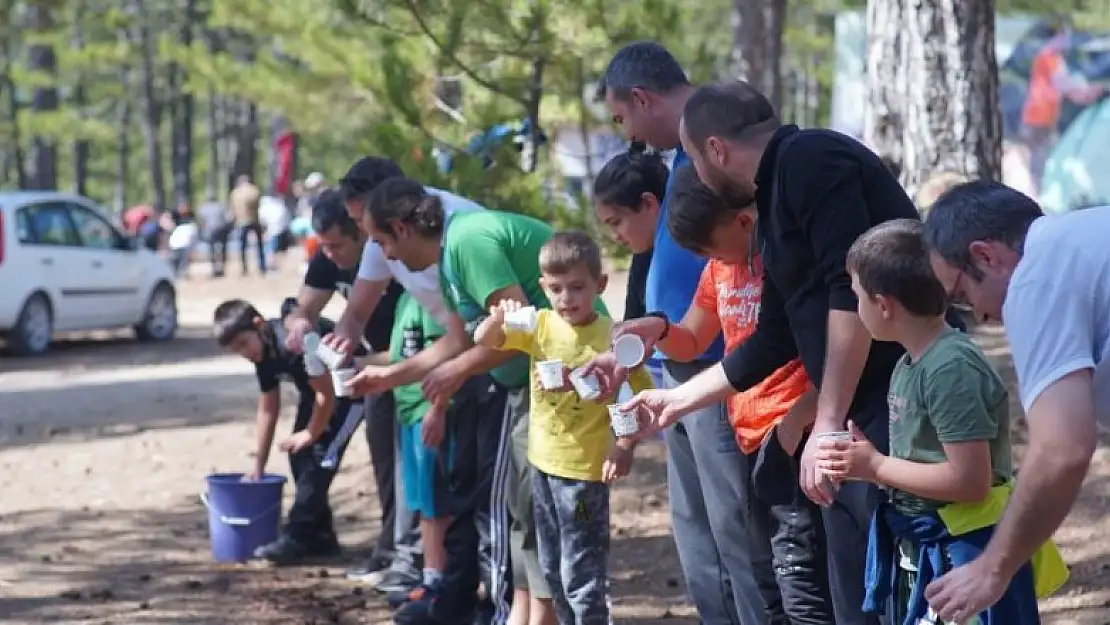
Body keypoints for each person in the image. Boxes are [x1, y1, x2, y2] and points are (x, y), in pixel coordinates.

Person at [604, 79, 942, 625]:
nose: (693, 175)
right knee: (853, 594)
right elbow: (774, 334)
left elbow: (846, 288)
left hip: (894, 399)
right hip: (850, 413)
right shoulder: (773, 197)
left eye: (691, 159)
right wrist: (678, 401)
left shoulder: (810, 158)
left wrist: (826, 420)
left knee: (903, 587)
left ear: (716, 150)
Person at [347, 178, 592, 625]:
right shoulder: (449, 256)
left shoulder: (469, 241)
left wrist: (459, 370)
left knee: (519, 511)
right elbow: (457, 341)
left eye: (383, 242)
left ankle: (527, 614)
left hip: (554, 389)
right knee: (522, 511)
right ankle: (523, 613)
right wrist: (389, 376)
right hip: (529, 388)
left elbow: (521, 331)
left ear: (403, 228)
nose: (388, 256)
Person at [590, 42, 764, 625]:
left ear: (642, 98)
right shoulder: (681, 158)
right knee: (697, 525)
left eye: (623, 118)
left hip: (726, 360)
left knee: (734, 524)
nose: (629, 134)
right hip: (682, 354)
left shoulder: (717, 140)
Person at [815, 218, 1061, 624]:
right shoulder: (910, 363)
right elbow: (924, 461)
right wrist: (868, 464)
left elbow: (970, 481)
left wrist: (876, 466)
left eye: (856, 296)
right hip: (931, 549)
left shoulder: (949, 368)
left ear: (883, 305)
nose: (854, 309)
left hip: (967, 554)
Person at [625, 164, 833, 622]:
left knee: (801, 576)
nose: (706, 256)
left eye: (707, 246)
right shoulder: (719, 269)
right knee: (765, 575)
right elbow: (695, 339)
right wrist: (658, 328)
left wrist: (802, 414)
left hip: (796, 434)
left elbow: (828, 348)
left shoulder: (781, 265)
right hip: (748, 435)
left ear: (743, 222)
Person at [921, 180, 1106, 621]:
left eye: (963, 297)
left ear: (986, 255)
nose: (981, 316)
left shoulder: (1034, 279)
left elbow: (1062, 450)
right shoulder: (1087, 232)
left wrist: (992, 568)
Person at [474, 232, 651, 624]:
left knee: (582, 573)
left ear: (599, 285)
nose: (566, 298)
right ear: (542, 288)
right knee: (552, 568)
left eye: (576, 287)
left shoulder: (613, 335)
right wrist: (496, 318)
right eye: (555, 289)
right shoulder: (540, 325)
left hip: (585, 474)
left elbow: (639, 394)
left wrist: (624, 445)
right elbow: (483, 338)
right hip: (543, 466)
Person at [280, 191, 410, 584]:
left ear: (361, 234)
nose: (330, 254)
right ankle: (389, 551)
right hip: (371, 372)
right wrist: (299, 322)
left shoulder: (393, 259)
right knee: (384, 463)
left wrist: (365, 365)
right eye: (324, 247)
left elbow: (415, 346)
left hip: (410, 365)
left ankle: (411, 558)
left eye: (337, 245)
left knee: (413, 470)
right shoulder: (327, 258)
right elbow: (302, 306)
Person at [377, 290, 502, 620]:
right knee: (423, 502)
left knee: (444, 504)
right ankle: (437, 581)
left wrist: (438, 408)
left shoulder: (435, 299)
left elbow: (450, 352)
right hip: (407, 410)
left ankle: (454, 586)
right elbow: (398, 357)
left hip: (432, 411)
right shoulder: (406, 297)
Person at [212, 298, 363, 563]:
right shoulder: (264, 353)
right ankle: (321, 534)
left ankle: (297, 533)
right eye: (237, 350)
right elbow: (268, 407)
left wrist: (310, 433)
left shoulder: (292, 343)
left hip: (349, 389)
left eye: (243, 344)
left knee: (320, 457)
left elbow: (327, 394)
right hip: (317, 394)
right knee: (298, 455)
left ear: (259, 324)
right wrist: (258, 464)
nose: (244, 353)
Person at [591, 149, 668, 387]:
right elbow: (632, 322)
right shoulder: (642, 257)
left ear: (648, 204)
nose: (615, 236)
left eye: (617, 222)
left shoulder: (695, 254)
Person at [1020, 24, 1105, 194]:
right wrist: (1090, 92)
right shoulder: (1049, 56)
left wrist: (1086, 92)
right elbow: (1065, 84)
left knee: (1040, 160)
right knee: (1041, 161)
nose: (1067, 42)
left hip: (1043, 117)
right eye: (1064, 36)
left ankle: (1038, 193)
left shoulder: (1049, 57)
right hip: (1039, 117)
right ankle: (1038, 195)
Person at [230, 174, 266, 275]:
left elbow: (233, 208)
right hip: (254, 219)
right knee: (259, 245)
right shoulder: (254, 191)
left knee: (242, 246)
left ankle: (244, 268)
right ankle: (262, 266)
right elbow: (258, 205)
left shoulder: (235, 193)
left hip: (241, 221)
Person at [197, 195, 233, 277]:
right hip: (221, 229)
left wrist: (201, 231)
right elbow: (227, 219)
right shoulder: (220, 206)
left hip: (211, 231)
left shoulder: (203, 208)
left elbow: (201, 221)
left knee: (212, 250)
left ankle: (214, 269)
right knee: (223, 249)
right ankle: (222, 268)